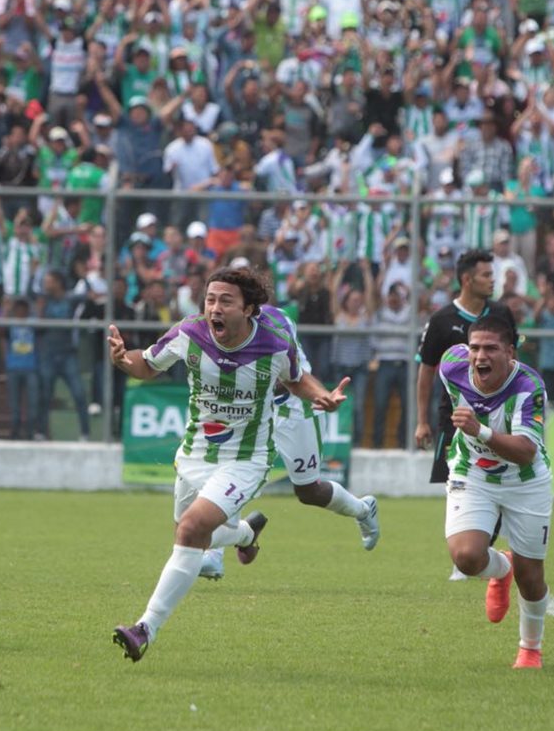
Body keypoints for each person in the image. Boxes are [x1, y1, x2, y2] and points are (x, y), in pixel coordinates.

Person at [107, 267, 349, 662]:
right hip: (195, 454)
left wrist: (321, 395)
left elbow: (295, 379)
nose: (214, 308)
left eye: (225, 301)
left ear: (250, 309)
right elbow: (147, 365)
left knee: (191, 529)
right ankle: (244, 536)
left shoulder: (273, 343)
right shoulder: (190, 332)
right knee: (190, 538)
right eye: (210, 299)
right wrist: (123, 360)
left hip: (246, 459)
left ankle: (144, 628)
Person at [198, 302, 380, 580]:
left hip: (294, 406)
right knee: (228, 470)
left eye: (229, 298)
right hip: (253, 409)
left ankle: (363, 509)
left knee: (309, 491)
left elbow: (286, 377)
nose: (220, 306)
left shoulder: (275, 323)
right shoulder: (220, 325)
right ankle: (213, 556)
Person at [439, 316, 553, 669]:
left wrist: (481, 430)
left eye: (490, 348)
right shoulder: (452, 365)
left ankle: (530, 649)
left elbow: (525, 450)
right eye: (475, 347)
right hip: (471, 472)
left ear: (510, 352)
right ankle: (500, 568)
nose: (479, 356)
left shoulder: (528, 386)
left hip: (525, 480)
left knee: (531, 578)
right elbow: (428, 367)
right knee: (467, 557)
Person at [415, 250, 516, 483]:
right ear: (467, 280)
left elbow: (513, 363)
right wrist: (421, 422)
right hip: (455, 417)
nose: (493, 280)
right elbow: (426, 370)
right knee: (454, 484)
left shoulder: (501, 314)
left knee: (498, 483)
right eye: (486, 275)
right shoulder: (441, 320)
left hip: (496, 416)